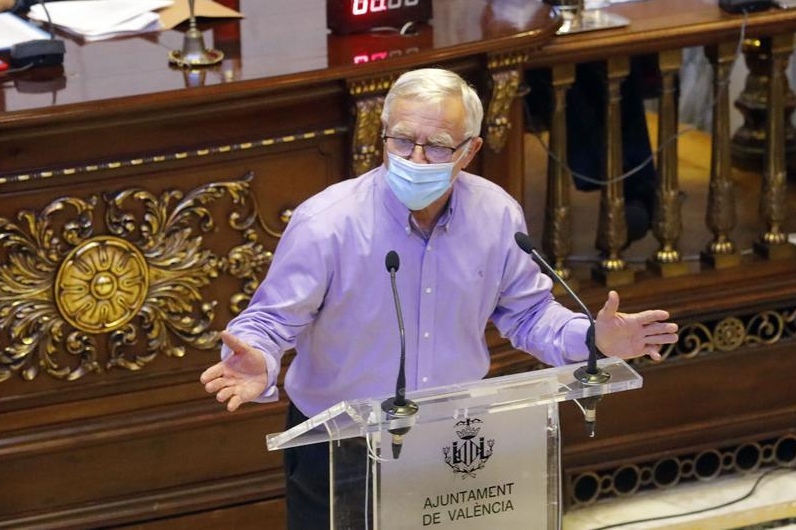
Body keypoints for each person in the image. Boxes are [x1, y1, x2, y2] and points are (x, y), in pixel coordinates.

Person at [200, 68, 678, 528]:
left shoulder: (495, 215)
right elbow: (267, 322)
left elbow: (530, 315)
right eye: (402, 141)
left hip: (452, 440)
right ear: (382, 136)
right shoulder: (327, 223)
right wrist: (259, 358)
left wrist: (596, 340)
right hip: (341, 445)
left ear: (470, 150)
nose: (417, 159)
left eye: (438, 146)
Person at [397, 0, 658, 247]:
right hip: (482, 18)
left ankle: (629, 197)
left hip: (560, 14)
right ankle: (487, 226)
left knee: (613, 54)